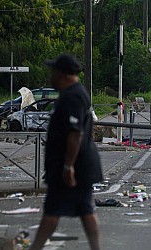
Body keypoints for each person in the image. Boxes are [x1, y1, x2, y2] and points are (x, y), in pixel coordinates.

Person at [30, 54, 103, 250]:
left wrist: (68, 165)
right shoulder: (74, 93)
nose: (50, 76)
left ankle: (35, 247)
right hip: (78, 164)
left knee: (52, 210)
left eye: (53, 72)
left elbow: (74, 133)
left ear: (62, 74)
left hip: (72, 165)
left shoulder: (73, 96)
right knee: (85, 209)